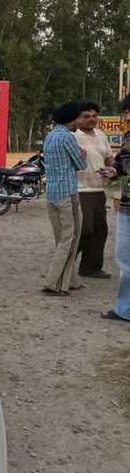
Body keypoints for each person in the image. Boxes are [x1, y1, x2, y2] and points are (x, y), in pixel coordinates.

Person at [42, 101, 87, 296]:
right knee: (71, 239)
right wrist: (82, 156)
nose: (80, 122)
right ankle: (56, 283)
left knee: (61, 238)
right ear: (72, 118)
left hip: (52, 194)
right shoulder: (68, 137)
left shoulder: (51, 136)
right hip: (68, 194)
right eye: (79, 118)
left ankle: (73, 279)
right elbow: (79, 164)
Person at [75, 100, 114, 279]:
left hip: (99, 189)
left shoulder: (101, 135)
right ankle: (65, 264)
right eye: (87, 116)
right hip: (79, 189)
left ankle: (90, 268)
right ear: (78, 118)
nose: (92, 119)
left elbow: (109, 159)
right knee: (85, 229)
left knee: (100, 230)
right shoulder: (72, 135)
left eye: (94, 116)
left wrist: (111, 170)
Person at [102, 96, 130, 322]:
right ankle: (125, 309)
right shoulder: (129, 137)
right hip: (127, 207)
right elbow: (122, 162)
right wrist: (114, 171)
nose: (126, 117)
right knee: (125, 260)